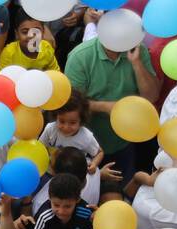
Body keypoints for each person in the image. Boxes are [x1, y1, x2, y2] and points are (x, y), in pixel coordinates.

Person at [63, 28, 158, 181]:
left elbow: (151, 96)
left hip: (123, 143)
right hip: (85, 146)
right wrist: (105, 107)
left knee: (121, 189)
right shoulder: (80, 57)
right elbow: (70, 104)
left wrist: (136, 63)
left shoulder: (138, 51)